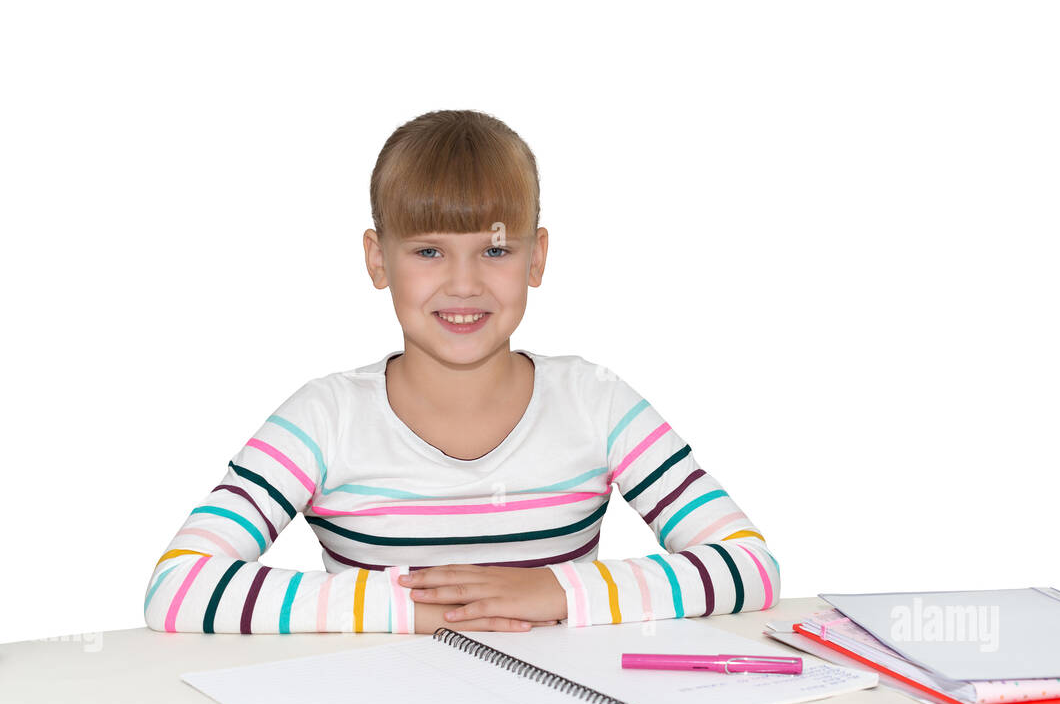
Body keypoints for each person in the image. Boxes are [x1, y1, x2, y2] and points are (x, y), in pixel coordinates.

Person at [144, 109, 779, 634]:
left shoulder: (596, 402)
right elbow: (178, 586)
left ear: (537, 257)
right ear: (377, 261)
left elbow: (749, 565)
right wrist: (414, 610)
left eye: (495, 250)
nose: (465, 282)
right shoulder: (324, 418)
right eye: (428, 251)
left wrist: (555, 590)